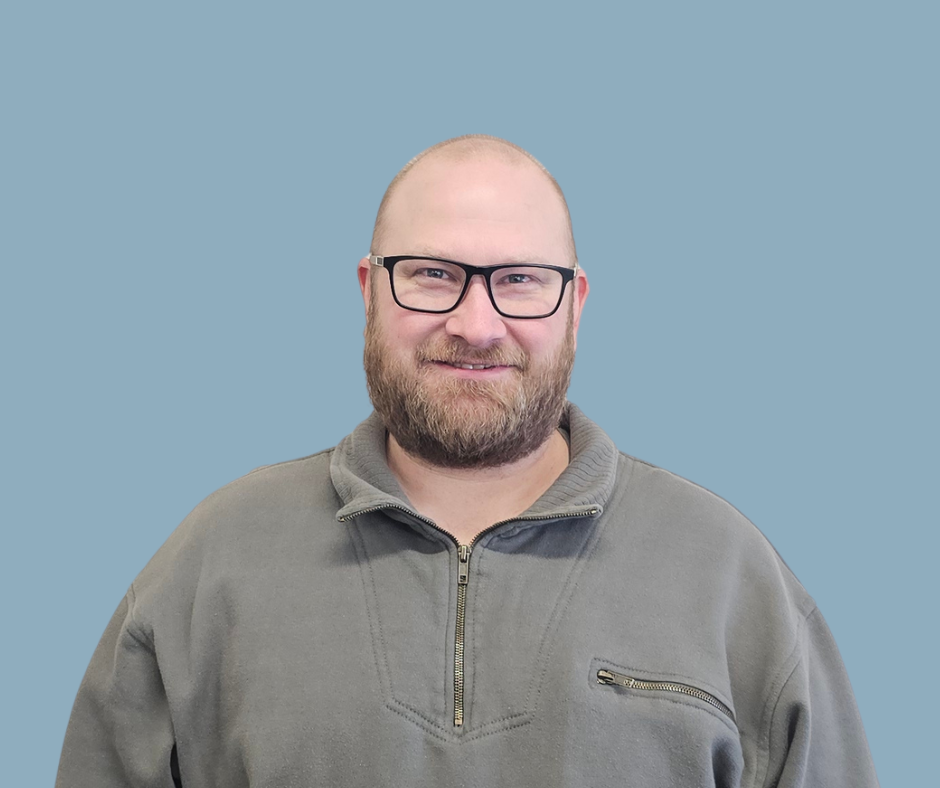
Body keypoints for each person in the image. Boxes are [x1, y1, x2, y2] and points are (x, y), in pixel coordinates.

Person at [56, 135, 879, 787]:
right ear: (369, 291)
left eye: (518, 280)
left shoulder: (730, 574)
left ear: (575, 304)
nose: (476, 324)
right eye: (432, 274)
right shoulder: (212, 563)